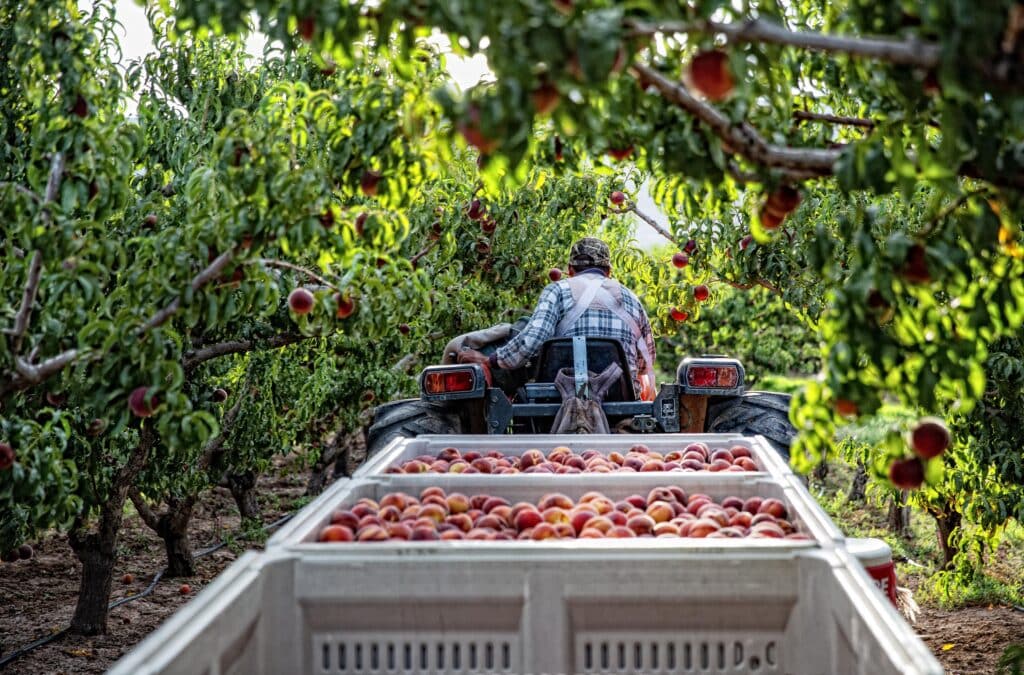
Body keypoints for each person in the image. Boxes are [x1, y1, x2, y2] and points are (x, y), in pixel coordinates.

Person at [458, 237, 657, 400]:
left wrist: (491, 360)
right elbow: (645, 363)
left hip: (561, 397)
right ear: (609, 271)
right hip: (618, 396)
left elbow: (532, 342)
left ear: (570, 270)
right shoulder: (632, 299)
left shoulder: (558, 290)